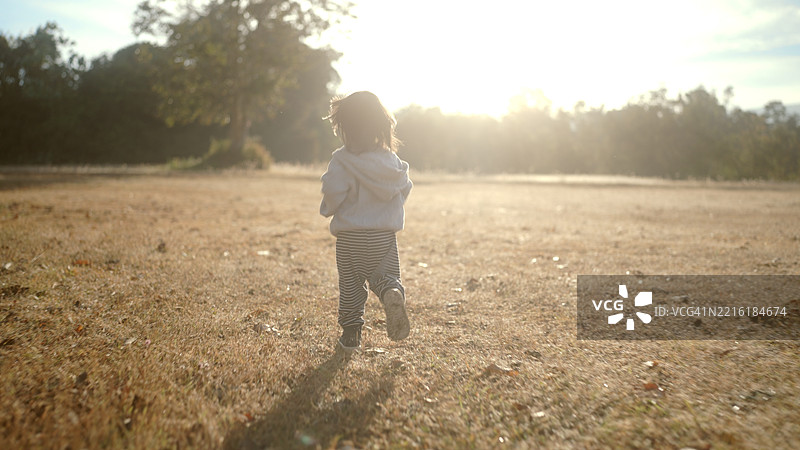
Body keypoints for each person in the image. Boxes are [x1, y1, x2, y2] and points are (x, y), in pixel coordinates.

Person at [320, 91, 413, 351]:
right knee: (386, 277)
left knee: (351, 286)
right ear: (382, 125)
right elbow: (404, 186)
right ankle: (390, 293)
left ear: (345, 128)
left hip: (351, 238)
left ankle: (351, 335)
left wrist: (329, 208)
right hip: (383, 236)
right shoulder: (391, 160)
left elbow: (333, 191)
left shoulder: (342, 159)